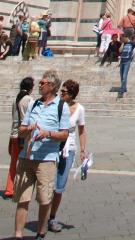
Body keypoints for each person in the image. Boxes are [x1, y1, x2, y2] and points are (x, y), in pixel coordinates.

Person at [13, 69, 70, 240]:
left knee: (45, 199)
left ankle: (41, 232)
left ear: (52, 86)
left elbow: (64, 134)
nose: (39, 84)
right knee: (22, 198)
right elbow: (21, 130)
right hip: (26, 157)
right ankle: (17, 234)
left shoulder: (62, 107)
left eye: (43, 83)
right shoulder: (33, 104)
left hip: (47, 159)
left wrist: (48, 134)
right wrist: (27, 129)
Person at [47, 79, 86, 233]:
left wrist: (82, 151)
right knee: (47, 183)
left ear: (71, 95)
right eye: (61, 91)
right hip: (52, 145)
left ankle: (52, 217)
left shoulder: (79, 109)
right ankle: (45, 213)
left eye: (64, 92)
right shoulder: (55, 104)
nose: (61, 94)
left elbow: (82, 131)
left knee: (59, 186)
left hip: (68, 149)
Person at [4, 76, 34, 199]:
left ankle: (9, 189)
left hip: (13, 135)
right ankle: (19, 188)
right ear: (30, 88)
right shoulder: (29, 100)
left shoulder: (15, 99)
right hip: (22, 136)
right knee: (24, 163)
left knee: (13, 163)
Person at [118, 29, 135, 94]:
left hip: (127, 62)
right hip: (122, 61)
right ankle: (124, 88)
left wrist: (133, 57)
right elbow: (120, 51)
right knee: (121, 76)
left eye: (122, 38)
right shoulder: (124, 43)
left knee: (124, 76)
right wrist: (123, 44)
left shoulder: (132, 43)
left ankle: (122, 88)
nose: (122, 40)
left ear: (126, 37)